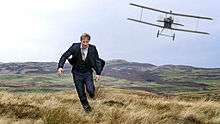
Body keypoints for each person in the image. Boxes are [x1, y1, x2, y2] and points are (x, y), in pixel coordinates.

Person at [57, 33, 105, 113]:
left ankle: (91, 94)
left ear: (89, 41)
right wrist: (60, 67)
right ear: (81, 41)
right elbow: (64, 56)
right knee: (81, 93)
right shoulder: (75, 47)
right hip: (77, 73)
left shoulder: (93, 48)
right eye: (84, 42)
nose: (85, 44)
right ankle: (88, 110)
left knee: (91, 91)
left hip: (87, 72)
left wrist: (98, 73)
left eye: (87, 42)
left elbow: (97, 61)